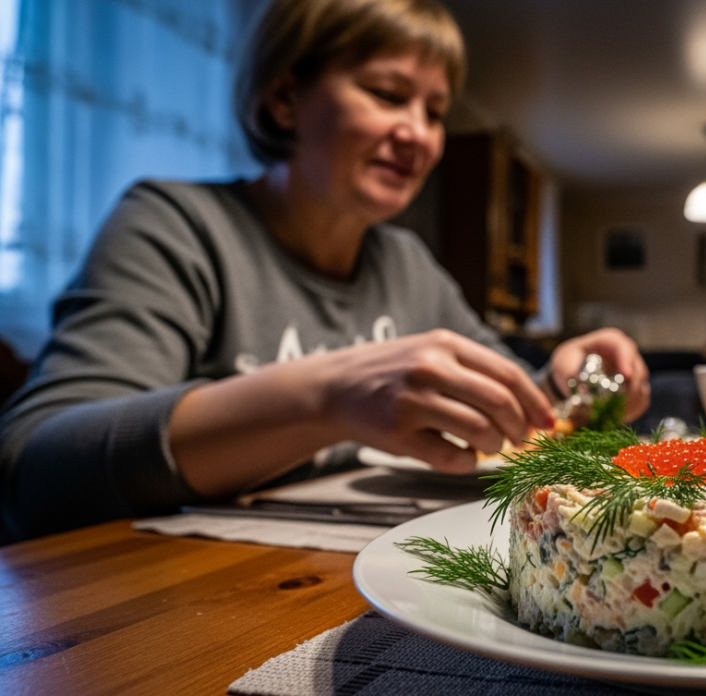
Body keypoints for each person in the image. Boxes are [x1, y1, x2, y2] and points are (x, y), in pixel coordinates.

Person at [0, 0, 649, 543]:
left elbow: (508, 412)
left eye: (434, 112)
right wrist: (324, 397)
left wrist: (566, 382)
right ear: (284, 97)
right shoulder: (176, 224)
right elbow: (35, 469)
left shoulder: (407, 263)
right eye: (388, 95)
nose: (419, 135)